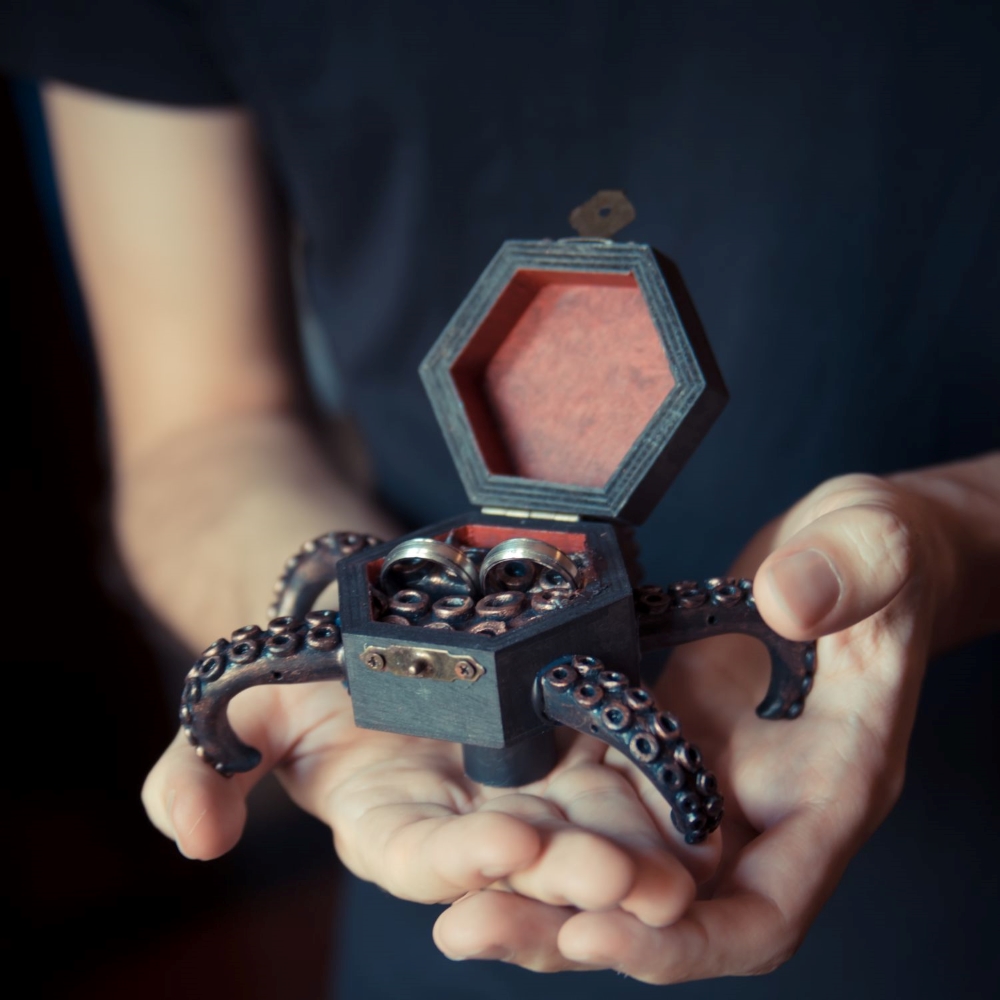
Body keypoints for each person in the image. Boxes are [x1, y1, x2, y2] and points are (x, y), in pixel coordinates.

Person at [3, 1, 998, 996]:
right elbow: (203, 429)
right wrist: (258, 684)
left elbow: (667, 702)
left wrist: (958, 528)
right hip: (436, 916)